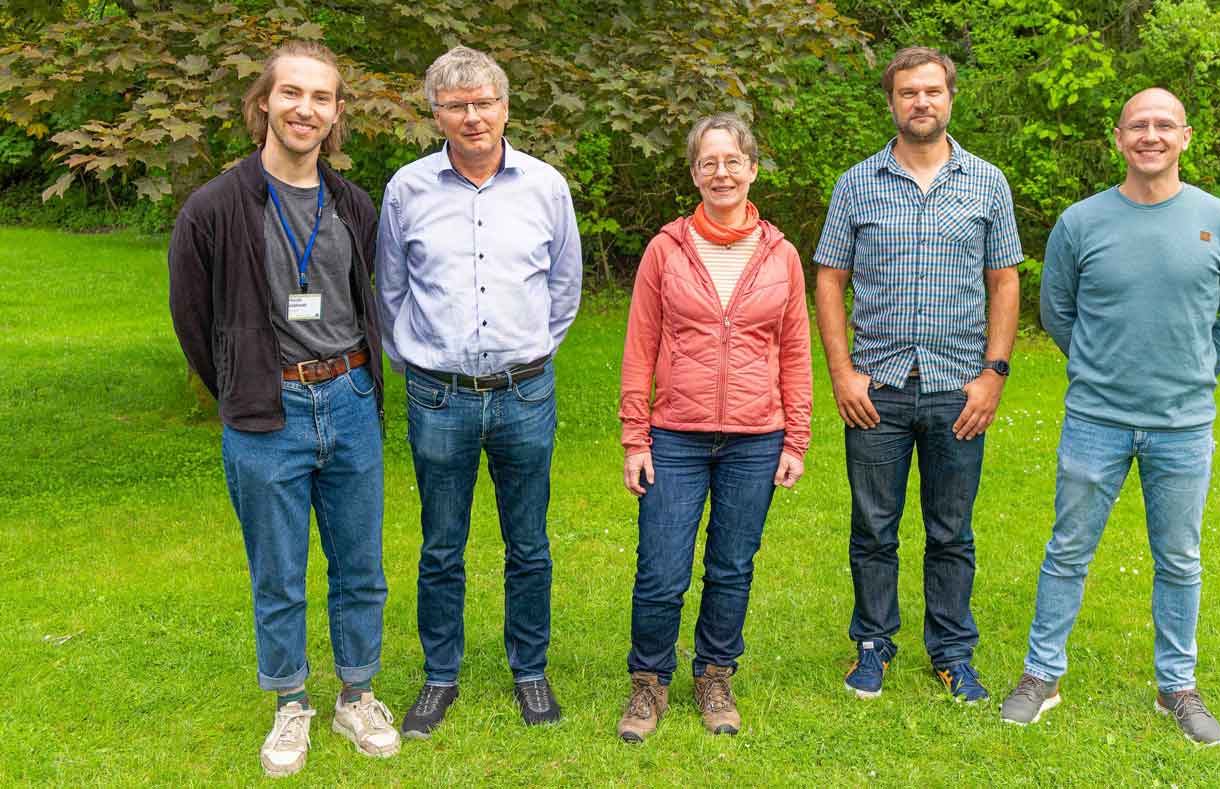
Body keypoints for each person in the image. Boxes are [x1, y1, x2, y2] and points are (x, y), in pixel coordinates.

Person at [999, 88, 1220, 746]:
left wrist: (1194, 368)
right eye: (1137, 125)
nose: (1150, 135)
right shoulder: (1081, 222)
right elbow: (1056, 313)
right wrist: (1101, 366)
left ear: (1185, 137)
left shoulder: (1219, 221)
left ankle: (1175, 685)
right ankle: (1041, 675)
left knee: (1178, 558)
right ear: (1116, 138)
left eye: (1163, 125)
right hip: (1096, 418)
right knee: (1067, 552)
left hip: (1182, 424)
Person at [168, 41, 398, 777]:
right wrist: (246, 384)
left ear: (335, 116)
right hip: (267, 414)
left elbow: (369, 296)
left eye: (322, 98)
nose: (306, 108)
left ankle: (356, 694)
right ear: (263, 102)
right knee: (278, 571)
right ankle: (290, 702)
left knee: (360, 565)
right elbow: (194, 322)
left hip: (352, 398)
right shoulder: (213, 208)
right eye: (292, 93)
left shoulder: (353, 203)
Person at [377, 45, 582, 736]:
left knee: (529, 543)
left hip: (525, 392)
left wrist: (527, 352)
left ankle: (530, 670)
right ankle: (440, 675)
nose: (473, 117)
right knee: (441, 544)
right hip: (439, 396)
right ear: (435, 113)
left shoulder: (545, 186)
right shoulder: (406, 189)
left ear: (505, 106)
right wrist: (425, 362)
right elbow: (390, 291)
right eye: (456, 105)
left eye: (484, 102)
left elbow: (564, 289)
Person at [813, 47, 1022, 703]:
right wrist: (841, 372)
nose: (921, 102)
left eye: (932, 91)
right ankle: (871, 646)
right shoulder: (856, 183)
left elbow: (1004, 280)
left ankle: (953, 653)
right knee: (873, 527)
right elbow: (828, 278)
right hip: (875, 387)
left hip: (957, 387)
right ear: (892, 102)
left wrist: (993, 374)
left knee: (950, 530)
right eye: (908, 92)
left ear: (950, 98)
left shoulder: (986, 183)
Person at [614, 113, 812, 742]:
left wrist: (796, 439)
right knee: (662, 568)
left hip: (757, 438)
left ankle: (715, 674)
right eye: (708, 163)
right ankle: (649, 681)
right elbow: (640, 345)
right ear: (694, 173)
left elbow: (795, 350)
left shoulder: (781, 254)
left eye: (733, 161)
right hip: (675, 435)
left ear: (752, 168)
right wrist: (634, 436)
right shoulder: (666, 249)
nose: (721, 173)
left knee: (731, 566)